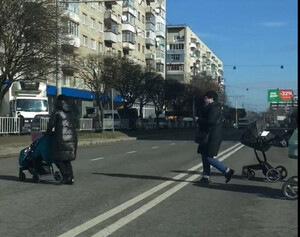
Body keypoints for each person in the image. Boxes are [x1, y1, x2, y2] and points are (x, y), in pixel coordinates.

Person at [196, 90, 234, 185]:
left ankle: (226, 171)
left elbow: (211, 121)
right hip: (207, 135)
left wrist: (199, 120)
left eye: (206, 97)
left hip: (212, 136)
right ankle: (206, 177)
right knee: (204, 156)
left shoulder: (214, 107)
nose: (204, 99)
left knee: (209, 157)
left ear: (211, 98)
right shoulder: (210, 107)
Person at [46, 94, 78, 185]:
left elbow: (51, 124)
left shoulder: (57, 112)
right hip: (72, 138)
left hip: (61, 138)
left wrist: (47, 133)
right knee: (66, 159)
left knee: (57, 159)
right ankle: (71, 178)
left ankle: (65, 177)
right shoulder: (70, 112)